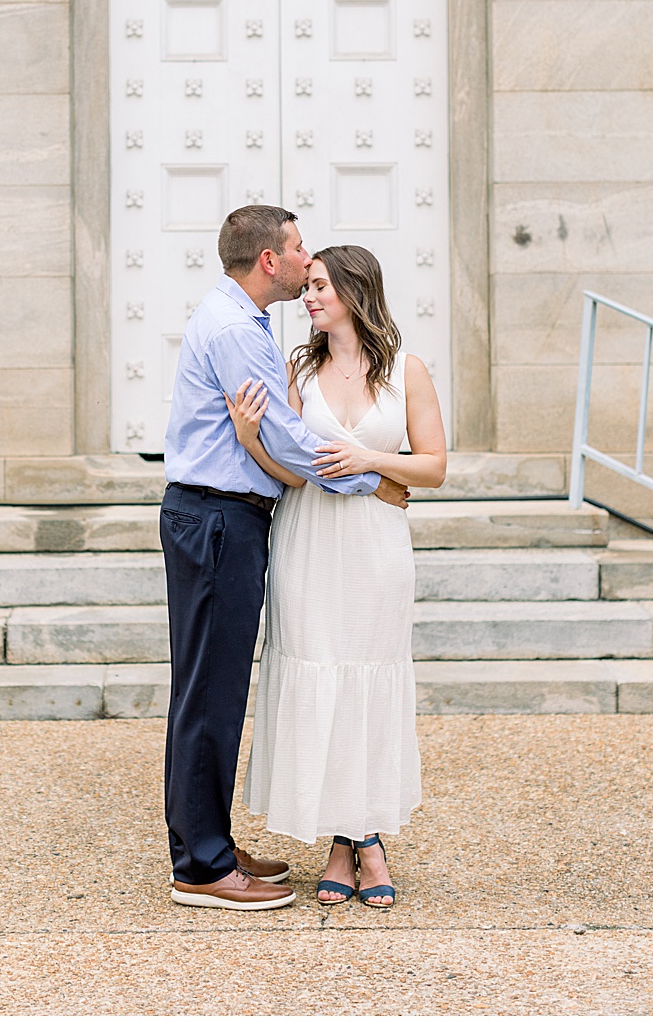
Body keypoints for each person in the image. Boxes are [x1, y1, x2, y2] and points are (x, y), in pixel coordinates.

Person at [162, 206, 410, 911]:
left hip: (222, 516)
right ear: (269, 260)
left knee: (210, 690)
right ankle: (203, 868)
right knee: (208, 695)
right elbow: (290, 441)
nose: (305, 262)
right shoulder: (240, 330)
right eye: (299, 249)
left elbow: (278, 445)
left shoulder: (239, 321)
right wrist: (370, 478)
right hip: (217, 518)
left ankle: (207, 843)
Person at [225, 245, 447, 908]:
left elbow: (434, 467)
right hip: (310, 540)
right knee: (319, 669)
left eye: (320, 286)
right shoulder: (300, 369)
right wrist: (251, 440)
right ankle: (346, 844)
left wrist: (369, 459)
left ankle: (363, 839)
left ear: (355, 291)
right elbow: (294, 471)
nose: (309, 296)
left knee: (368, 680)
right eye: (309, 285)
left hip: (377, 546)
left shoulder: (407, 371)